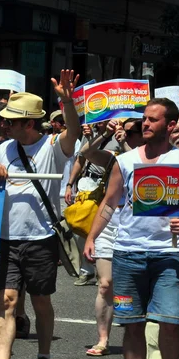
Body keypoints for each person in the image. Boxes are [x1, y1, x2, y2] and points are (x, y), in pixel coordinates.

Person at [0, 70, 81, 359]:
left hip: (41, 237)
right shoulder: (4, 148)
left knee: (40, 300)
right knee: (6, 300)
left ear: (29, 124)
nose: (4, 125)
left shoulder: (52, 146)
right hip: (6, 238)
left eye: (11, 121)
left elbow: (73, 133)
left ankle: (44, 356)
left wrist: (67, 101)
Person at [84, 98, 179, 359]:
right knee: (132, 325)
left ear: (169, 125)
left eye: (153, 120)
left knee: (169, 321)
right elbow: (109, 202)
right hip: (128, 254)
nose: (145, 123)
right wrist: (92, 237)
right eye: (144, 118)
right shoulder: (126, 161)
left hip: (169, 253)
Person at [78, 119, 143, 358]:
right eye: (121, 131)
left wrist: (126, 145)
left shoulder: (149, 157)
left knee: (128, 285)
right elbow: (86, 153)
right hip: (108, 222)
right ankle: (103, 338)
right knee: (105, 284)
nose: (122, 134)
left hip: (137, 226)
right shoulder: (114, 157)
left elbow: (140, 169)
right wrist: (104, 134)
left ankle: (132, 328)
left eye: (129, 132)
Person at [142, 112, 179, 359]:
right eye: (178, 131)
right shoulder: (147, 163)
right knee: (157, 312)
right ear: (167, 131)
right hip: (159, 251)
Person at [66, 120, 123, 286]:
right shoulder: (88, 133)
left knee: (103, 226)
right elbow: (80, 159)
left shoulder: (121, 134)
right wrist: (70, 184)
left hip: (110, 186)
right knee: (80, 225)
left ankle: (102, 271)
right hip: (89, 184)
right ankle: (86, 270)